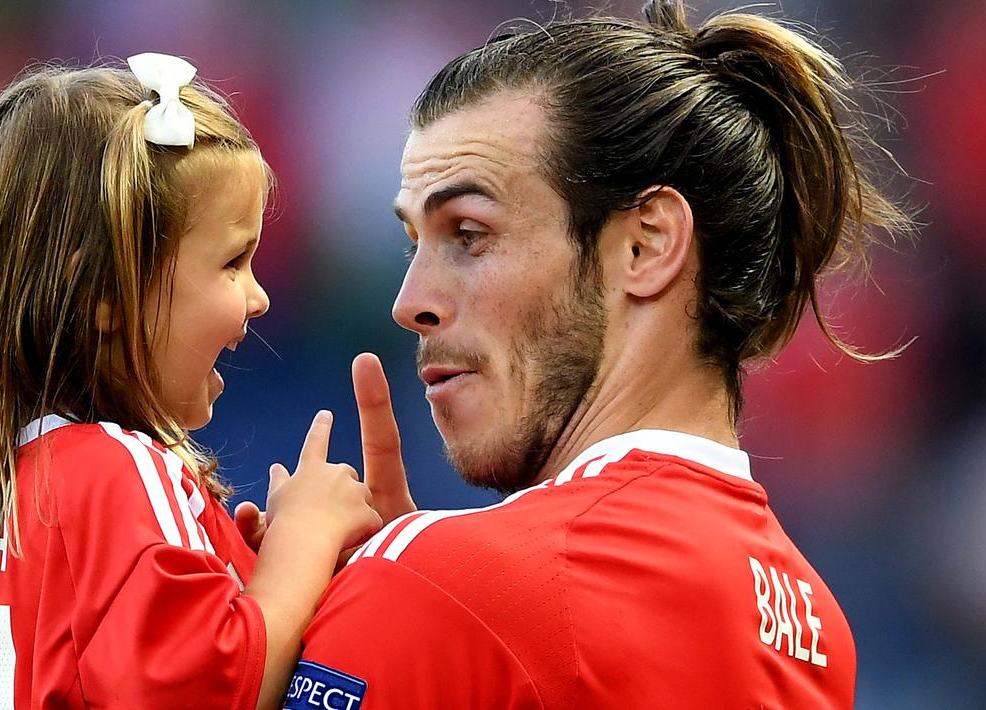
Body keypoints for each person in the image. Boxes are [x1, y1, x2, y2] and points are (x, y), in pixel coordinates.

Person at [286, 1, 915, 707]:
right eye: (414, 243)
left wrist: (302, 608)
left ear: (645, 246)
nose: (409, 302)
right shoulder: (810, 621)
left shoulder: (457, 583)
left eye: (468, 233)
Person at [0, 53, 384, 709]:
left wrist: (241, 570)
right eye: (232, 262)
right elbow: (222, 687)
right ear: (107, 292)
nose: (258, 298)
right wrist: (303, 542)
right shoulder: (119, 470)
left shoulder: (34, 487)